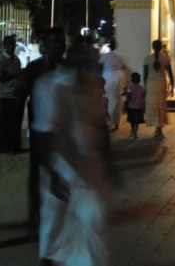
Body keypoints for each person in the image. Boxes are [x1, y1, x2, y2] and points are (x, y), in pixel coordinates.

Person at [33, 39, 110, 266]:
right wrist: (52, 174)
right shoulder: (48, 85)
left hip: (88, 172)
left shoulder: (93, 84)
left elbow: (100, 125)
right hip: (61, 173)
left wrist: (109, 163)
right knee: (53, 236)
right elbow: (43, 134)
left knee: (95, 229)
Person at [21, 27, 66, 230]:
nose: (58, 46)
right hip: (40, 131)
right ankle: (35, 215)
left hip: (65, 132)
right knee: (37, 173)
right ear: (44, 46)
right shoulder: (34, 69)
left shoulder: (69, 69)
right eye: (53, 42)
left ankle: (61, 215)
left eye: (61, 41)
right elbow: (20, 96)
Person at [0, 35, 25, 155]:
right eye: (9, 44)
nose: (12, 47)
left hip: (16, 94)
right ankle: (4, 148)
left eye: (13, 44)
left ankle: (14, 146)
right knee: (6, 123)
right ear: (4, 45)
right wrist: (17, 74)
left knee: (15, 122)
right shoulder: (1, 59)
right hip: (6, 95)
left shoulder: (16, 59)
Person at [143, 40, 175, 138]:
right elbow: (170, 73)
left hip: (151, 84)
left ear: (153, 47)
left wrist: (145, 87)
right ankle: (159, 128)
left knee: (153, 105)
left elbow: (145, 75)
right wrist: (172, 86)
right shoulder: (165, 58)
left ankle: (156, 128)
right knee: (161, 105)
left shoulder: (147, 59)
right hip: (161, 84)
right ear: (161, 47)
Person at [99, 39, 126, 130]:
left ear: (109, 46)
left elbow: (100, 65)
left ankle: (108, 120)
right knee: (117, 100)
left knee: (107, 99)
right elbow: (123, 67)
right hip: (117, 78)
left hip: (107, 78)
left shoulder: (105, 56)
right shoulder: (120, 57)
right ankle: (116, 122)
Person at [124, 72, 145, 140]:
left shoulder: (130, 88)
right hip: (139, 106)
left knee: (132, 120)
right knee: (137, 121)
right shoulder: (141, 88)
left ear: (131, 79)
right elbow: (143, 96)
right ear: (139, 79)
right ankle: (135, 132)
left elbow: (129, 98)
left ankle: (133, 132)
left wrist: (126, 103)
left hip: (131, 107)